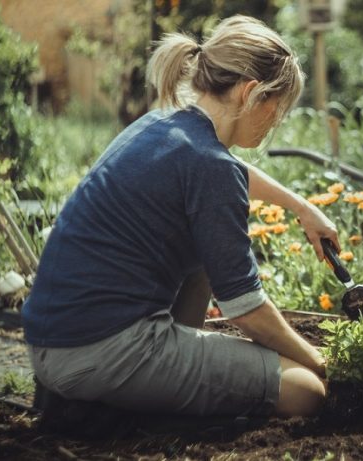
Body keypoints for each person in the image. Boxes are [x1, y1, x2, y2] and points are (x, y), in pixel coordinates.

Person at [22, 15, 340, 420]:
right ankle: (123, 401)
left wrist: (301, 206)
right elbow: (246, 310)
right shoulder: (209, 167)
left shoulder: (164, 125)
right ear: (251, 94)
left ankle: (135, 391)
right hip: (102, 351)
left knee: (206, 249)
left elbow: (227, 170)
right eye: (276, 111)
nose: (274, 124)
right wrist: (321, 362)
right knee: (305, 390)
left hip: (54, 342)